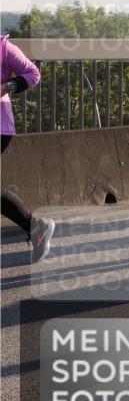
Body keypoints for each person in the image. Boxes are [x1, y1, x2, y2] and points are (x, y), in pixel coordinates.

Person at [1, 34, 56, 263]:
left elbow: (33, 74)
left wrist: (6, 87)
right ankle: (35, 228)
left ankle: (35, 227)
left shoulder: (3, 48)